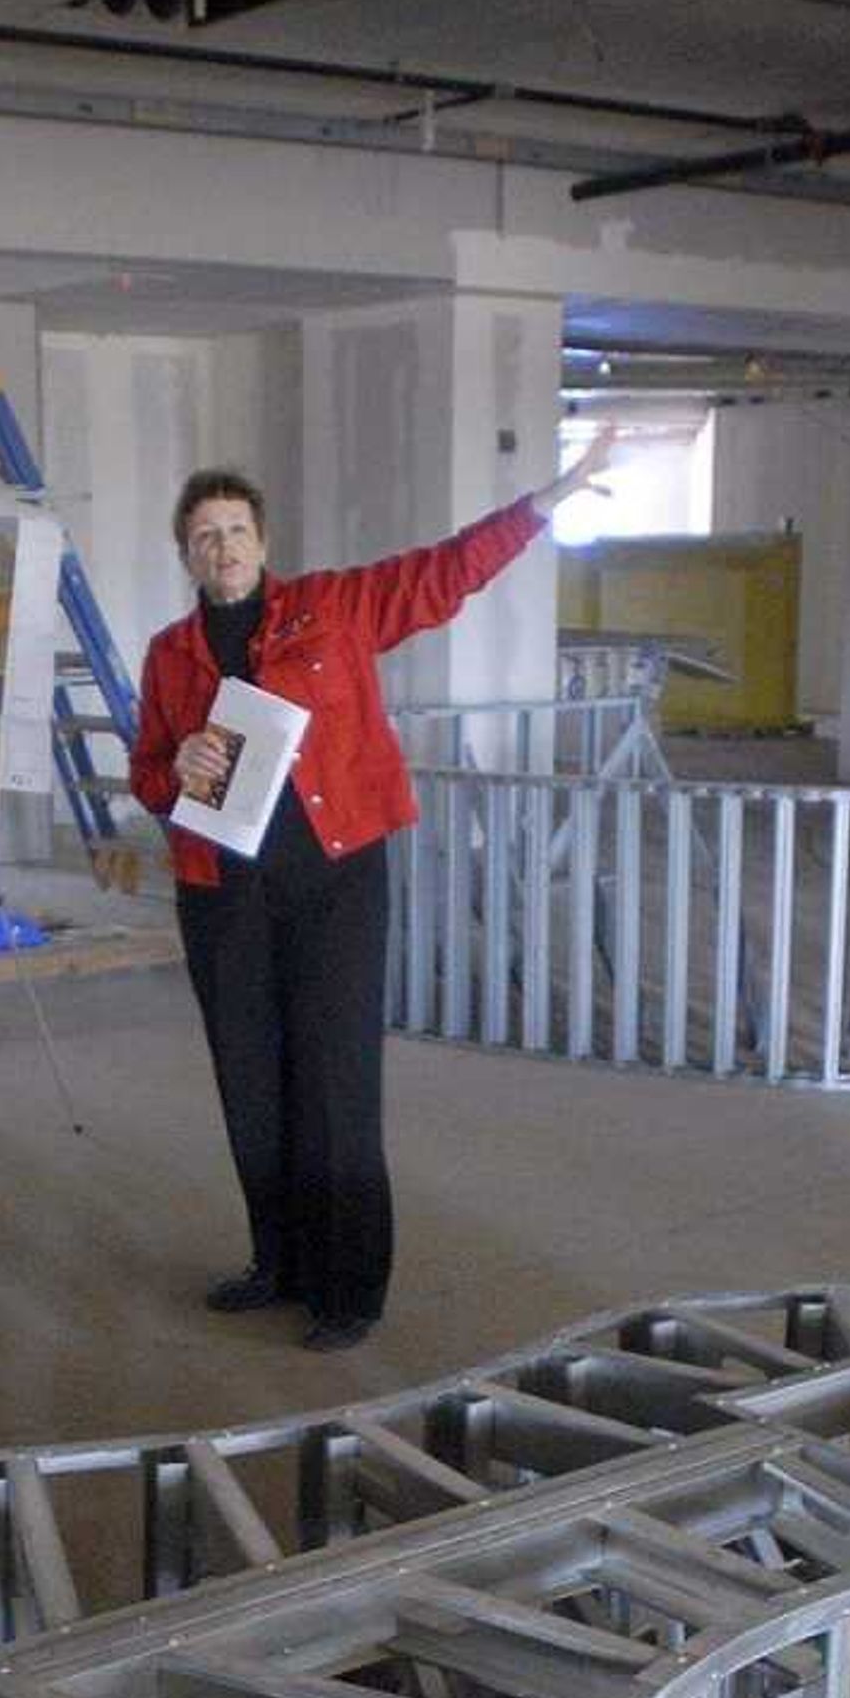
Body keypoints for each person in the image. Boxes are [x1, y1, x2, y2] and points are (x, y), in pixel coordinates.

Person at [130, 430, 617, 1352]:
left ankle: (348, 1288)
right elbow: (149, 771)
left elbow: (445, 572)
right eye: (204, 536)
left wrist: (551, 498)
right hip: (221, 891)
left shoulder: (335, 608)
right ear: (184, 553)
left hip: (335, 881)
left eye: (236, 530)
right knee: (251, 1082)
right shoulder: (169, 656)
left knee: (333, 1078)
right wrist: (174, 767)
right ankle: (277, 1263)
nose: (222, 548)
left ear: (264, 543)